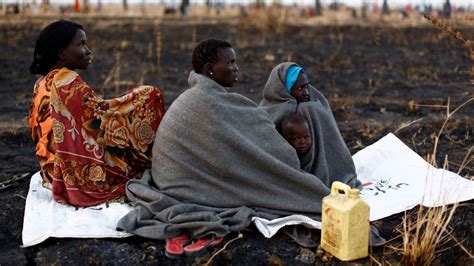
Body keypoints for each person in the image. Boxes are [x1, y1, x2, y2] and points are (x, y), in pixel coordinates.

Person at [118, 39, 361, 257]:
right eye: (230, 63)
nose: (236, 68)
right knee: (286, 186)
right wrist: (288, 161)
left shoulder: (200, 98)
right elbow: (258, 151)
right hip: (186, 185)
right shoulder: (209, 103)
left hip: (169, 181)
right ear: (209, 69)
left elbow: (230, 148)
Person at [29, 20, 165, 207]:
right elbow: (100, 123)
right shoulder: (67, 81)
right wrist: (142, 98)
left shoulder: (41, 82)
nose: (88, 50)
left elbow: (90, 116)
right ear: (62, 53)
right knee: (150, 95)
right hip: (76, 176)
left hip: (51, 171)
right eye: (81, 44)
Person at [259, 62, 360, 188]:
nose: (306, 92)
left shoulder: (314, 106)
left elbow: (332, 143)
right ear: (284, 89)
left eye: (306, 86)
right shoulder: (266, 111)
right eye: (299, 88)